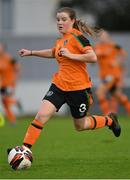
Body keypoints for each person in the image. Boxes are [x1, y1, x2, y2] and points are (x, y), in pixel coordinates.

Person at [14, 7, 121, 152]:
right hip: (59, 86)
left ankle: (109, 120)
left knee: (80, 126)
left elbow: (92, 57)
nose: (60, 22)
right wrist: (31, 52)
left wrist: (71, 55)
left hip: (78, 89)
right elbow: (53, 52)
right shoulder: (61, 40)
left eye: (64, 19)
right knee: (41, 116)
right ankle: (25, 150)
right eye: (58, 19)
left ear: (72, 21)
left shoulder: (78, 37)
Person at [94, 31, 130, 115]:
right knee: (119, 96)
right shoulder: (97, 47)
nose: (102, 37)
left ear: (108, 37)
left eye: (104, 36)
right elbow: (93, 60)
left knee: (99, 92)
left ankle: (108, 114)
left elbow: (123, 54)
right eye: (100, 36)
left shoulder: (113, 46)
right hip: (104, 75)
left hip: (112, 75)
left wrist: (117, 62)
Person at [0, 43, 22, 124]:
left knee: (5, 100)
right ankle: (12, 119)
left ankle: (15, 102)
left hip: (9, 83)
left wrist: (16, 79)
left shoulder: (9, 58)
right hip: (2, 84)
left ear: (3, 49)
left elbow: (18, 67)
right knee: (4, 102)